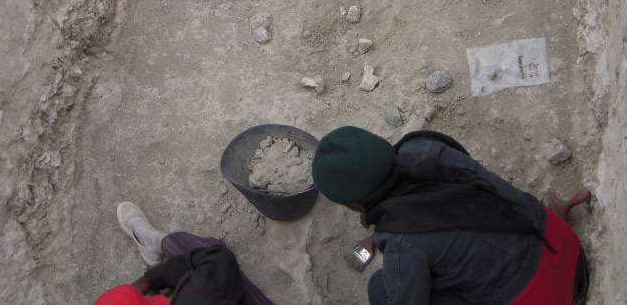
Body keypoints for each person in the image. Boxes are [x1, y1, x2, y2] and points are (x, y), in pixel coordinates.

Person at [312, 126, 591, 305]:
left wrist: (389, 235)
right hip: (559, 242)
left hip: (550, 295)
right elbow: (447, 203)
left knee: (380, 289)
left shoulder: (402, 246)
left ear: (354, 205)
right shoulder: (425, 149)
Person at [94, 202, 276, 305]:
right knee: (209, 250)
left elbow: (126, 294)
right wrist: (161, 279)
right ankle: (158, 242)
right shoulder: (199, 295)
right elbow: (219, 259)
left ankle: (152, 245)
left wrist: (152, 281)